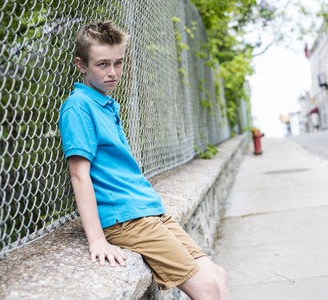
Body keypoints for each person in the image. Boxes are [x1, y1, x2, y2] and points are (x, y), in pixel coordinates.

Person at [59, 21, 230, 299]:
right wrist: (97, 239)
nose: (113, 72)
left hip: (149, 209)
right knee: (206, 287)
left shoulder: (105, 103)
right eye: (102, 64)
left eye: (118, 62)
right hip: (126, 219)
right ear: (81, 64)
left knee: (218, 275)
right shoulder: (78, 107)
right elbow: (79, 175)